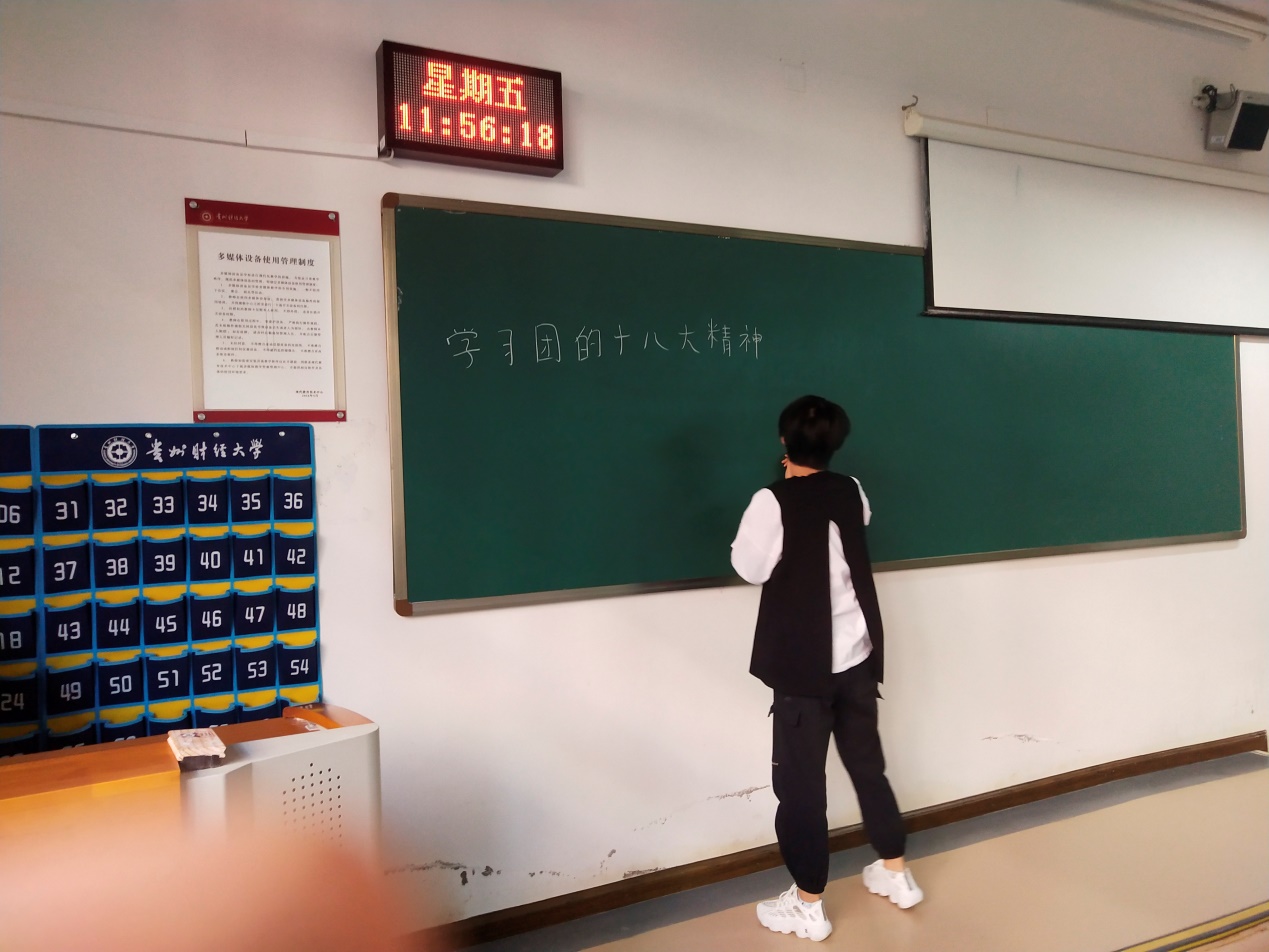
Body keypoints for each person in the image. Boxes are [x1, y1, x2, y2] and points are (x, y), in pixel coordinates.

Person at [731, 394, 922, 943]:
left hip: (804, 671)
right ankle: (895, 872)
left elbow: (749, 567)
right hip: (857, 658)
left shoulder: (772, 500)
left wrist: (786, 486)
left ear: (783, 441)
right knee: (867, 766)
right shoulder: (851, 489)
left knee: (801, 789)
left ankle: (809, 905)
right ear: (837, 442)